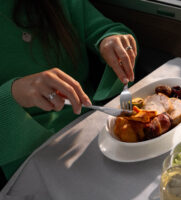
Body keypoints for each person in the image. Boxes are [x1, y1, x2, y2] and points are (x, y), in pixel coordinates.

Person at [0, 0, 137, 181]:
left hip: (93, 124)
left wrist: (111, 40)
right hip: (25, 153)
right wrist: (13, 93)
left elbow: (105, 30)